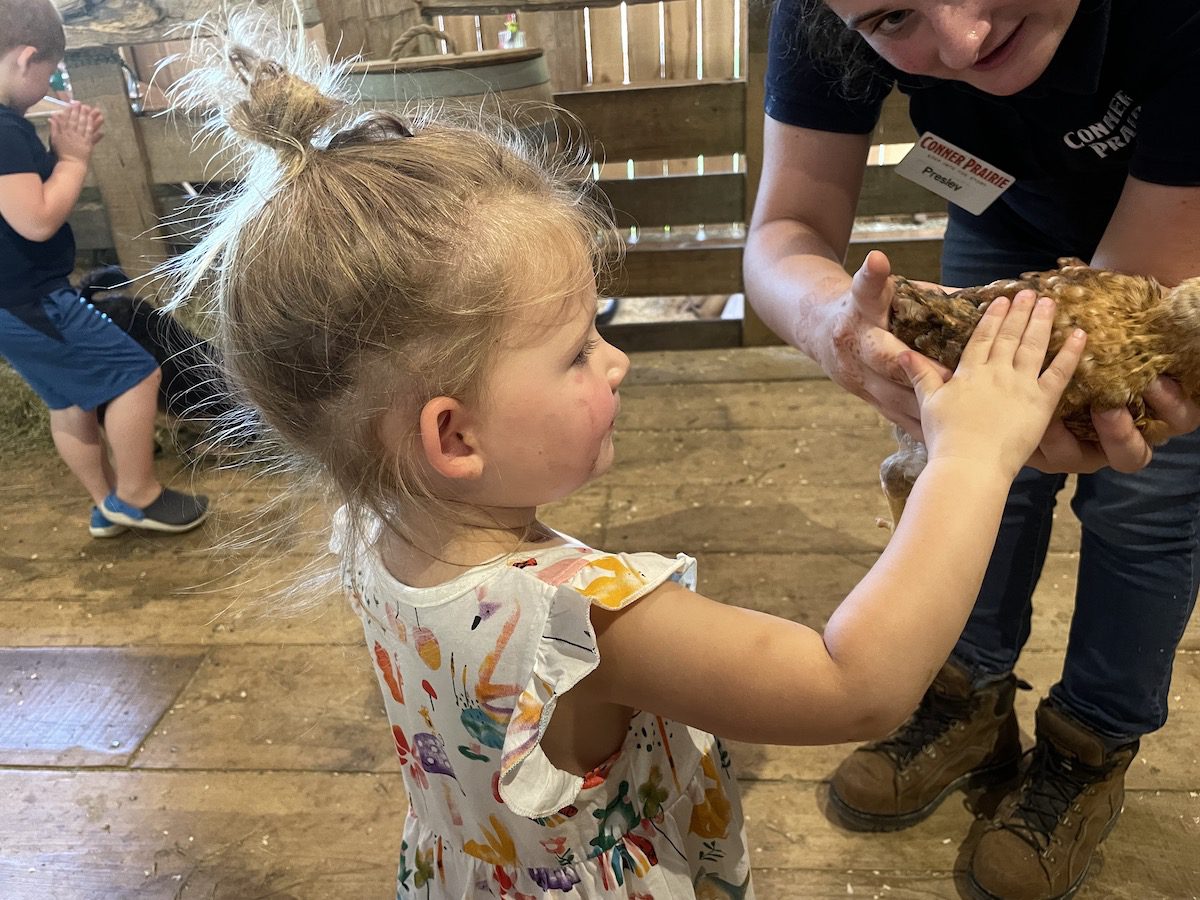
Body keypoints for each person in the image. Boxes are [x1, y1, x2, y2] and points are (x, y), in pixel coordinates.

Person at [161, 13, 1088, 897]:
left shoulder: (367, 522)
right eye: (577, 349)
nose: (619, 361)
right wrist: (972, 459)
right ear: (453, 436)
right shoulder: (581, 620)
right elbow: (856, 687)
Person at [743, 2, 1200, 898]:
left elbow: (1124, 310)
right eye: (893, 16)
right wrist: (832, 324)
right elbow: (783, 229)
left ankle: (1090, 745)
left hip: (1178, 241)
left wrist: (1021, 427)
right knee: (980, 470)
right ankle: (964, 693)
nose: (962, 40)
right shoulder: (820, 9)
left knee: (1145, 494)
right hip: (1008, 210)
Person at [0, 0, 208, 536]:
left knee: (70, 399)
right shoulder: (2, 132)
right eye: (50, 76)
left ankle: (108, 503)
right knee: (138, 373)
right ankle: (138, 494)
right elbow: (37, 220)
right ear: (25, 60)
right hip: (34, 301)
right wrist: (71, 159)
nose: (50, 88)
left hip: (13, 303)